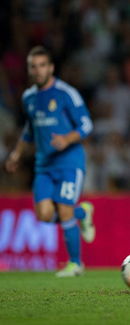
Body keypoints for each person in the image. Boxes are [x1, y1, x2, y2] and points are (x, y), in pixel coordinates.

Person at [5, 46, 95, 277]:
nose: (38, 70)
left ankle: (76, 265)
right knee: (44, 214)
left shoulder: (66, 93)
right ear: (29, 69)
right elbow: (30, 128)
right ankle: (82, 214)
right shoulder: (28, 97)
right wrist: (16, 153)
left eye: (42, 65)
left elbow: (86, 125)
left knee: (64, 209)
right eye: (33, 66)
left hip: (69, 161)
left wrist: (67, 138)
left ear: (51, 67)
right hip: (44, 165)